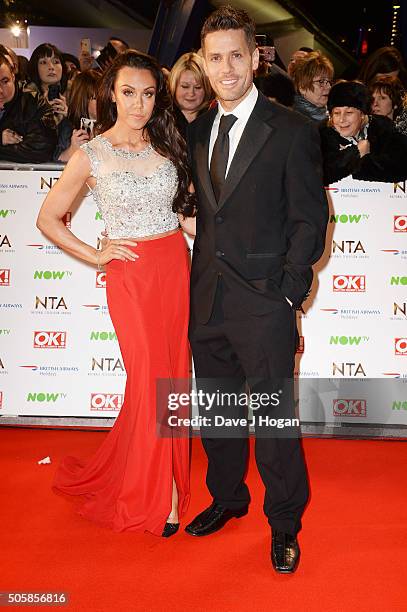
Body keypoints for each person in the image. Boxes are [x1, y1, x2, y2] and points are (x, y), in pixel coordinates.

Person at [185, 6, 328, 573]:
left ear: (255, 57)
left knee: (273, 423)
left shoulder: (291, 129)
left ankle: (285, 523)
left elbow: (309, 221)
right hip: (209, 300)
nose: (225, 69)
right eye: (215, 57)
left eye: (235, 56)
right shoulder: (197, 129)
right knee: (218, 414)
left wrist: (289, 293)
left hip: (265, 302)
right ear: (204, 61)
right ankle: (227, 498)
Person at [37, 50, 196, 537]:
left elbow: (185, 215)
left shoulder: (168, 142)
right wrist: (96, 254)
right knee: (150, 376)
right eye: (129, 93)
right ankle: (159, 493)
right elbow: (47, 219)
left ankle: (165, 475)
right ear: (111, 93)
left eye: (148, 94)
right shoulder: (92, 154)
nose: (139, 104)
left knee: (172, 379)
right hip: (131, 276)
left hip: (175, 265)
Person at [320, 79, 407, 185]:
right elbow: (322, 172)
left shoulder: (382, 129)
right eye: (337, 113)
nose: (342, 119)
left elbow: (400, 166)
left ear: (362, 114)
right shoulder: (322, 134)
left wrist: (358, 162)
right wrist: (356, 153)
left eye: (349, 112)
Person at [0, 53, 57, 163]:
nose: (0, 91)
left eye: (5, 81)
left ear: (13, 76)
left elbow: (40, 149)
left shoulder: (32, 100)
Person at [55, 69, 100, 161]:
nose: (102, 102)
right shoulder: (68, 127)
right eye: (96, 98)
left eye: (104, 97)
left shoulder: (114, 125)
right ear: (83, 99)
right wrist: (72, 149)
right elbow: (55, 161)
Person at [168, 52, 212, 140]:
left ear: (207, 88)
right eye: (185, 86)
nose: (191, 93)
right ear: (174, 85)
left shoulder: (215, 119)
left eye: (198, 87)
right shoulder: (160, 118)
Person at [26, 43, 69, 123]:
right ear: (35, 67)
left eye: (56, 62)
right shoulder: (26, 98)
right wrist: (43, 112)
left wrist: (67, 117)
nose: (51, 67)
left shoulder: (74, 94)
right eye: (43, 62)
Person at [291, 50, 334, 121]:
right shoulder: (296, 118)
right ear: (302, 87)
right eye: (321, 81)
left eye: (329, 81)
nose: (329, 87)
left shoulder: (330, 114)